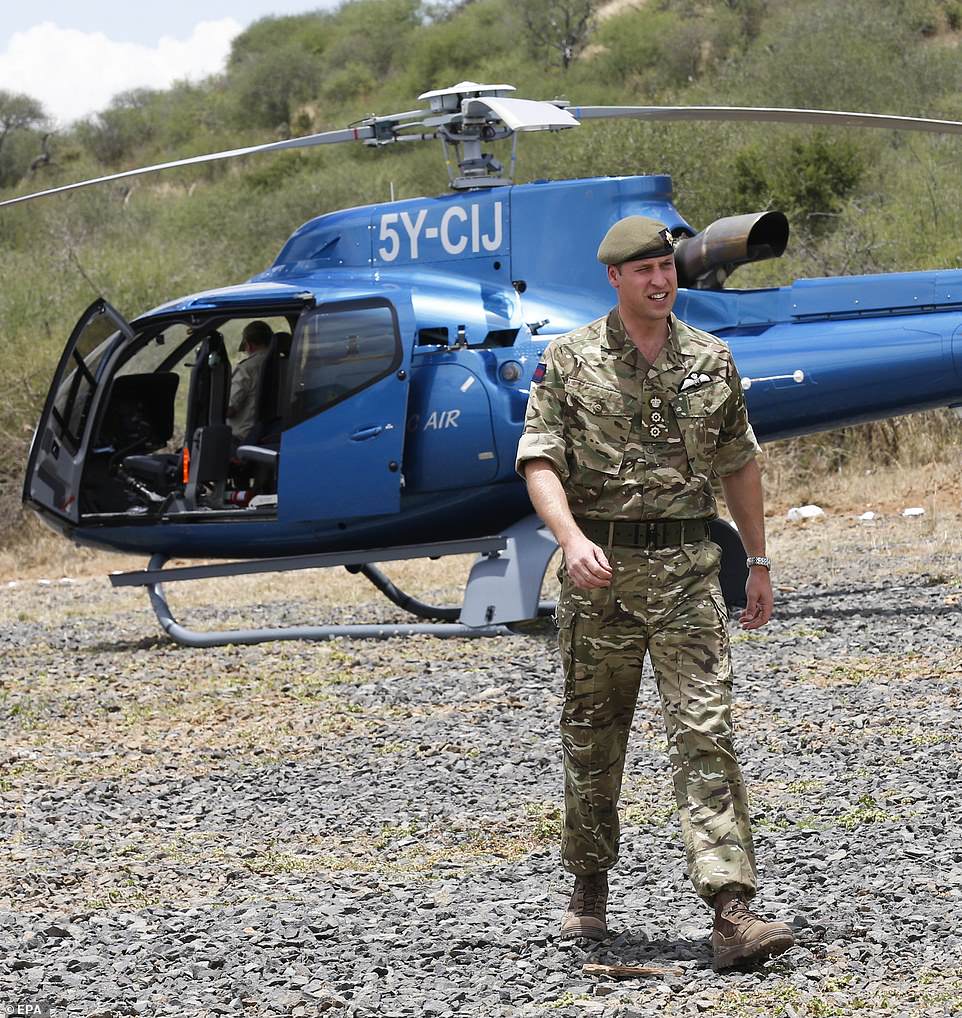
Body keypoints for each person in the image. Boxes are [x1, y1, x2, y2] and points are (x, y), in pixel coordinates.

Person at [515, 216, 794, 971]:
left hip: (687, 577)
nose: (660, 280)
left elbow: (739, 462)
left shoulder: (712, 359)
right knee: (593, 743)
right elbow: (539, 459)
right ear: (615, 278)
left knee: (707, 736)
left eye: (666, 267)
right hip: (599, 581)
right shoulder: (568, 362)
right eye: (642, 270)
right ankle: (589, 886)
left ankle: (731, 908)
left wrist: (759, 560)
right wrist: (570, 540)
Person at [226, 320, 272, 441]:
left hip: (243, 439)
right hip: (274, 434)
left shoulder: (246, 368)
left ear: (248, 345)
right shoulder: (286, 364)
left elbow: (230, 409)